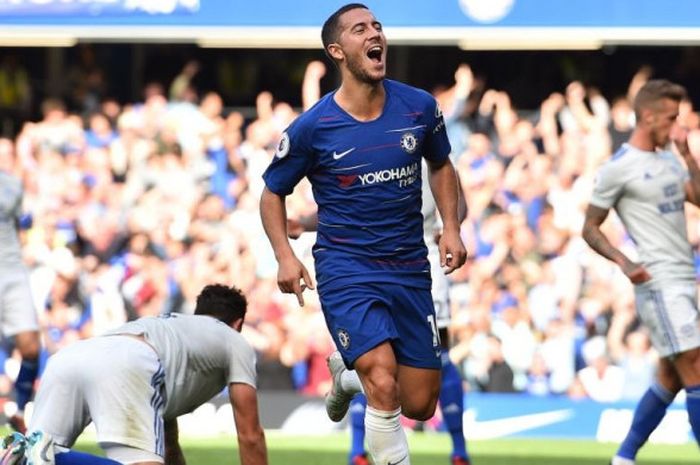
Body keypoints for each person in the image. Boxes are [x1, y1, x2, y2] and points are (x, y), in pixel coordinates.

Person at [260, 4, 467, 465]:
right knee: (383, 377)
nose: (375, 34)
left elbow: (441, 164)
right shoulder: (313, 128)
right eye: (360, 29)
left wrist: (451, 227)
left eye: (376, 26)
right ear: (338, 51)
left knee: (419, 402)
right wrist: (285, 256)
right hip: (346, 268)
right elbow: (272, 193)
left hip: (410, 268)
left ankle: (347, 377)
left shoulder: (419, 107)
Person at [286, 159, 471, 465]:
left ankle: (459, 450)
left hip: (421, 263)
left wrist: (450, 225)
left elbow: (456, 196)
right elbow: (348, 207)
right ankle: (358, 450)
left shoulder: (426, 142)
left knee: (436, 366)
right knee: (372, 356)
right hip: (363, 268)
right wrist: (304, 224)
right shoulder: (365, 142)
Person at [1, 284, 268, 465]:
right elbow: (250, 435)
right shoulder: (234, 340)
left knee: (31, 460)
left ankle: (31, 452)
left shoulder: (176, 332)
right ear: (238, 324)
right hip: (129, 359)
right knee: (48, 455)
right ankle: (50, 455)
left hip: (72, 356)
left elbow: (169, 444)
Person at [582, 79, 698, 465]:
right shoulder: (618, 168)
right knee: (696, 365)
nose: (677, 124)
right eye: (671, 118)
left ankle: (625, 456)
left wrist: (686, 154)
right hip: (658, 283)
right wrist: (625, 262)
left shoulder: (668, 158)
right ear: (647, 117)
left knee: (670, 376)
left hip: (686, 276)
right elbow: (590, 228)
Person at [0, 137, 42, 434]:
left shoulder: (14, 186)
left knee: (30, 346)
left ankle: (18, 407)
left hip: (12, 270)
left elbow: (19, 226)